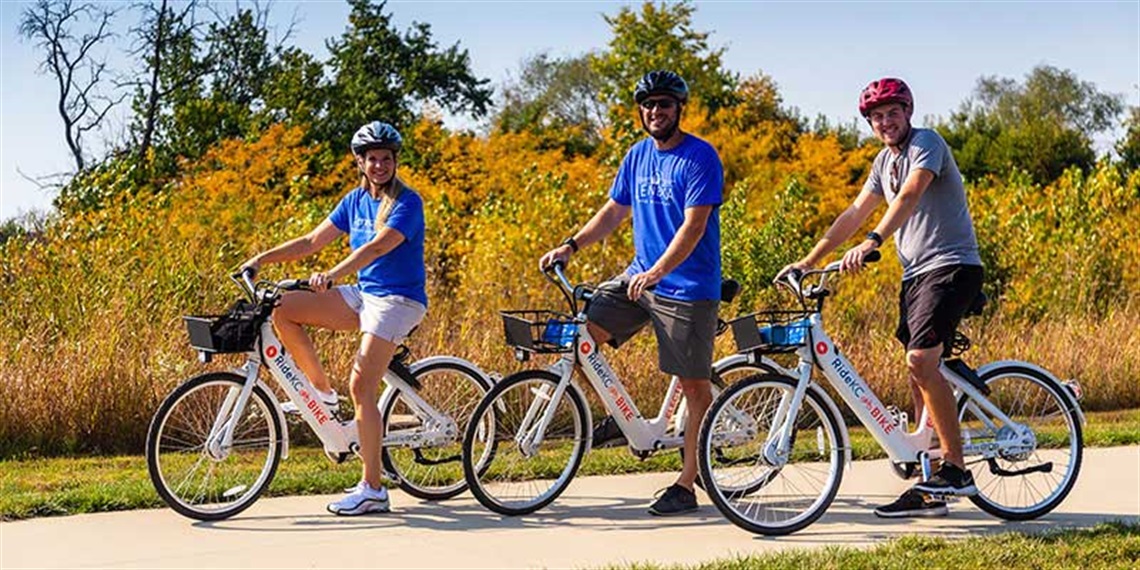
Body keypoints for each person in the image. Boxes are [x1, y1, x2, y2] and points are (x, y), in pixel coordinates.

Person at [776, 77, 984, 518]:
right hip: (916, 274)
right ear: (869, 124)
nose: (886, 122)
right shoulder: (881, 163)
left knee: (921, 362)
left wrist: (873, 241)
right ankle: (930, 475)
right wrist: (809, 261)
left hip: (951, 266)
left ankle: (955, 469)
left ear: (908, 112)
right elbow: (852, 213)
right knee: (917, 368)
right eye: (877, 117)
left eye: (893, 113)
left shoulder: (926, 144)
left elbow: (910, 194)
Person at [539, 70, 724, 516]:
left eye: (664, 104)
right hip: (638, 278)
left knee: (694, 386)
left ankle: (686, 483)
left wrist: (659, 271)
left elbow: (694, 226)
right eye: (648, 105)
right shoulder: (638, 154)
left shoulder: (700, 157)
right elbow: (614, 211)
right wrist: (571, 245)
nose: (655, 112)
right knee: (581, 340)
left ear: (679, 109)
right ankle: (621, 420)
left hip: (686, 285)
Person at [240, 121, 427, 516]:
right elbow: (311, 241)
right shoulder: (354, 201)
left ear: (395, 161)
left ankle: (373, 489)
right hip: (364, 295)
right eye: (372, 159)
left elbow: (377, 248)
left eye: (386, 159)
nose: (379, 165)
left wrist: (333, 275)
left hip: (398, 299)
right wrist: (261, 259)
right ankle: (322, 393)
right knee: (284, 308)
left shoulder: (408, 203)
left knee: (361, 386)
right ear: (359, 162)